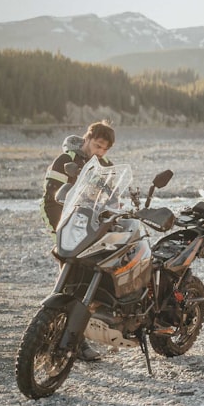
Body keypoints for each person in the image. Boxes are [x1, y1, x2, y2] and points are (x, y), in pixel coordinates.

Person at [39, 120, 115, 362]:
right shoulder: (65, 161)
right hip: (68, 232)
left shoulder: (106, 166)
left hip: (93, 234)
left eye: (104, 149)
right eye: (97, 145)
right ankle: (67, 342)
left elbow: (113, 201)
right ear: (87, 138)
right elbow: (49, 199)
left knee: (88, 286)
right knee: (68, 286)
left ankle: (63, 336)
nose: (100, 151)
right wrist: (57, 230)